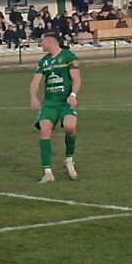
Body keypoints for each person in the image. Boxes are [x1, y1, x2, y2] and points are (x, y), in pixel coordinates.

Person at [29, 32, 80, 183]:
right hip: (49, 103)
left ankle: (69, 159)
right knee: (45, 130)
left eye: (42, 42)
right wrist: (33, 96)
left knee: (70, 127)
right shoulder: (43, 61)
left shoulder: (69, 56)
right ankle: (48, 172)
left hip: (65, 102)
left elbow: (77, 79)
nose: (41, 45)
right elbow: (35, 82)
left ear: (51, 41)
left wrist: (73, 95)